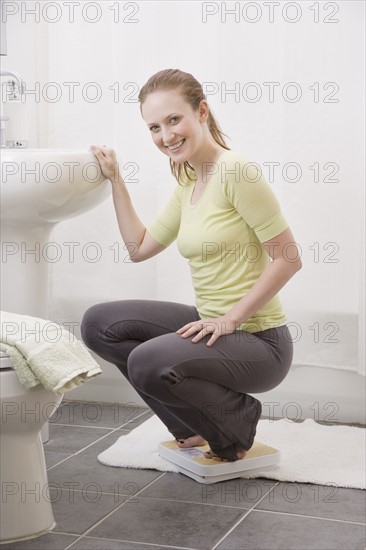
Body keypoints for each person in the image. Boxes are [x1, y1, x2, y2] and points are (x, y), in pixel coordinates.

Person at [81, 68, 302, 463]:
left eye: (173, 119)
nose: (166, 136)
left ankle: (235, 424)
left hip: (260, 342)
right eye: (154, 127)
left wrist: (229, 320)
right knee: (100, 325)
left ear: (201, 112)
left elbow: (288, 258)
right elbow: (139, 247)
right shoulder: (188, 180)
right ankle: (190, 429)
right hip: (211, 323)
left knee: (148, 360)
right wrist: (116, 180)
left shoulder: (236, 171)